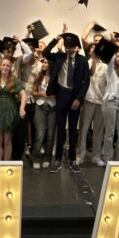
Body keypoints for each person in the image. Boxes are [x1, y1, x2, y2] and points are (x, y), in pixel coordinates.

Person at [43, 29, 90, 174]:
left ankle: (72, 159)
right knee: (60, 128)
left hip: (75, 96)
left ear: (76, 47)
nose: (68, 50)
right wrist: (56, 39)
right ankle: (57, 159)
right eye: (66, 47)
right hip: (62, 94)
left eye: (70, 47)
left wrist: (78, 99)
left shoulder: (82, 60)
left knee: (73, 130)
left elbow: (86, 82)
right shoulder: (60, 56)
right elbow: (45, 52)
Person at [0, 57, 26, 174]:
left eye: (7, 65)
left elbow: (23, 94)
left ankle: (6, 166)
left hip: (10, 112)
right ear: (0, 66)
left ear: (10, 67)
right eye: (3, 65)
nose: (5, 67)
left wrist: (22, 108)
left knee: (7, 141)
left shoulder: (14, 80)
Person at [77, 44, 107, 166]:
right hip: (88, 99)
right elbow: (91, 74)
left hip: (101, 100)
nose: (95, 51)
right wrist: (93, 59)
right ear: (89, 51)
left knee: (98, 130)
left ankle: (96, 156)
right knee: (84, 129)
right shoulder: (86, 63)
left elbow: (107, 83)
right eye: (93, 49)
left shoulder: (105, 66)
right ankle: (80, 155)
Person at [102, 50, 119, 162]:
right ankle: (108, 158)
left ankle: (118, 159)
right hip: (110, 102)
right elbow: (111, 60)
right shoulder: (110, 71)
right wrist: (113, 46)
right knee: (110, 132)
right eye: (118, 56)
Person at [31, 57, 56, 169]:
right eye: (43, 62)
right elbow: (33, 92)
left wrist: (51, 94)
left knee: (50, 134)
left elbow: (59, 94)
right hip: (40, 106)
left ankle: (47, 158)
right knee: (40, 134)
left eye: (46, 62)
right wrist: (41, 94)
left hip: (52, 107)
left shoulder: (56, 78)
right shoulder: (39, 77)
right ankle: (35, 158)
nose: (44, 64)